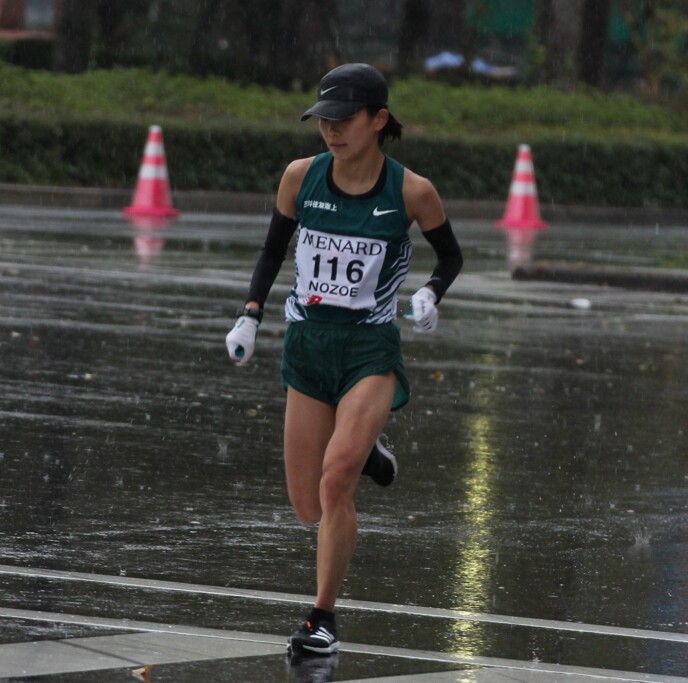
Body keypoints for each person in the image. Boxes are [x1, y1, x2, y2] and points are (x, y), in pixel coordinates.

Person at [225, 63, 463, 657]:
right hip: (308, 347)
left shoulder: (411, 191)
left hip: (368, 350)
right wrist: (250, 314)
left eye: (343, 119)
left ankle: (321, 619)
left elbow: (451, 255)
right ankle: (366, 452)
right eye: (323, 120)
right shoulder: (299, 178)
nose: (330, 130)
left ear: (378, 120)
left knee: (335, 485)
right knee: (307, 505)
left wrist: (431, 291)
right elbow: (273, 250)